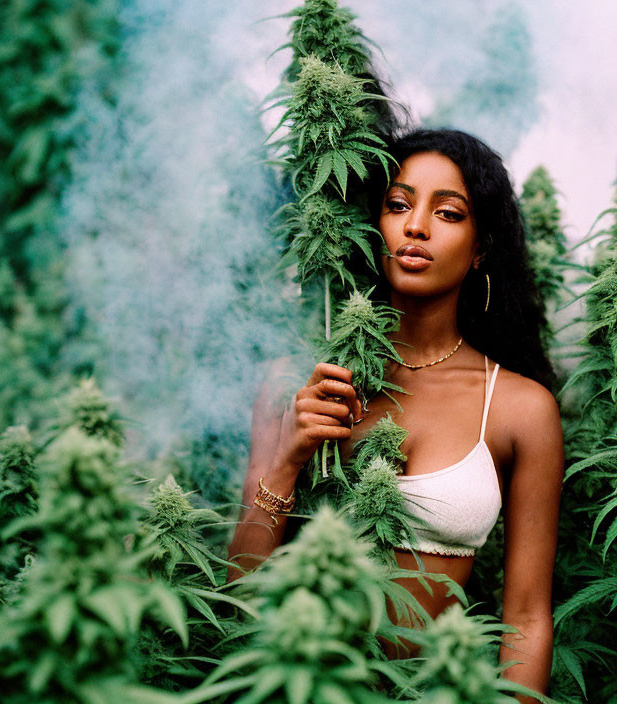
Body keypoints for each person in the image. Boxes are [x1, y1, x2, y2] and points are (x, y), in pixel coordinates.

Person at [227, 129, 564, 700]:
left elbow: (527, 618)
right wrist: (287, 460)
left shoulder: (520, 409)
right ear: (374, 224)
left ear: (481, 247)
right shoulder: (296, 379)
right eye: (398, 205)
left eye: (448, 213)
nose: (415, 228)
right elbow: (240, 593)